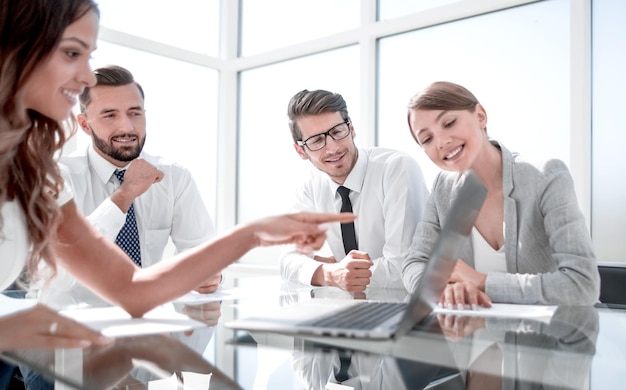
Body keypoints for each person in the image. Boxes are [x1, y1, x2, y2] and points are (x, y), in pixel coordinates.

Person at [0, 0, 355, 352]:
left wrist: (254, 233)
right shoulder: (62, 172)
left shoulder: (36, 171)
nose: (87, 75)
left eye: (89, 56)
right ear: (19, 48)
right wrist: (123, 196)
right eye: (73, 53)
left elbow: (131, 289)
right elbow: (50, 282)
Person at [402, 81, 600, 308]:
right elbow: (414, 263)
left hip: (557, 336)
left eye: (449, 123)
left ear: (480, 116)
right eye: (427, 139)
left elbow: (582, 284)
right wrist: (445, 290)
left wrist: (482, 282)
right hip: (478, 335)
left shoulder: (545, 176)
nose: (442, 142)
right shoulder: (443, 188)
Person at [34, 64, 220, 306]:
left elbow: (200, 253)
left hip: (150, 324)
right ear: (84, 124)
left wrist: (208, 273)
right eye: (110, 115)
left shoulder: (174, 177)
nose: (128, 127)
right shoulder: (58, 177)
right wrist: (122, 197)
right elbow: (53, 276)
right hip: (73, 329)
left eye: (135, 113)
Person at [281, 89, 429, 292]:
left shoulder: (397, 168)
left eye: (337, 132)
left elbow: (402, 268)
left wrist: (339, 272)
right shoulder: (311, 187)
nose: (332, 148)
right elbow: (288, 260)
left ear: (351, 128)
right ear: (301, 151)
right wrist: (329, 273)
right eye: (316, 141)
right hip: (353, 308)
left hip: (410, 306)